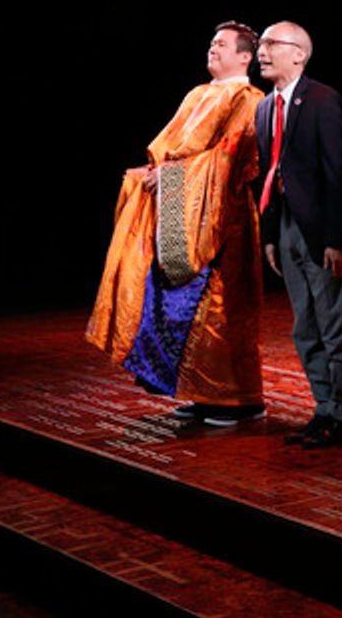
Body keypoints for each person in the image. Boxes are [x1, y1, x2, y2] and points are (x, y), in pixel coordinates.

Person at [87, 21, 266, 426]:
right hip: (178, 210)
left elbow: (231, 157)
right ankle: (200, 394)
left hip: (220, 217)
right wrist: (157, 172)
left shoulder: (248, 98)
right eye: (212, 42)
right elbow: (171, 149)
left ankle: (237, 400)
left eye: (222, 45)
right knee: (176, 304)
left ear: (245, 56)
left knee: (218, 308)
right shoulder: (198, 94)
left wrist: (170, 175)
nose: (213, 49)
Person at [255, 21, 342, 449]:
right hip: (285, 226)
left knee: (335, 325)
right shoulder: (265, 107)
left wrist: (337, 237)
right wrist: (269, 235)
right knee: (305, 327)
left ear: (299, 53)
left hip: (321, 230)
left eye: (271, 44)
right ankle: (324, 408)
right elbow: (268, 172)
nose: (262, 52)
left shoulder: (321, 99)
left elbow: (339, 172)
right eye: (260, 44)